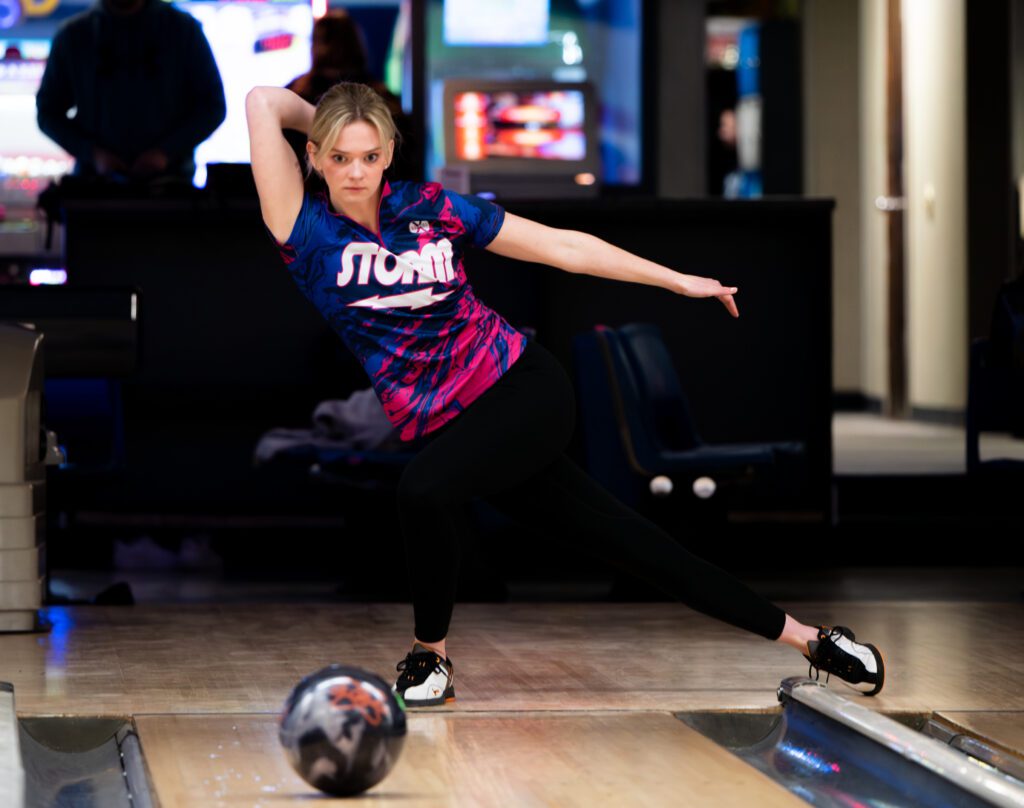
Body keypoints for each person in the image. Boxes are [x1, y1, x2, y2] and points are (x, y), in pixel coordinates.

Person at [245, 82, 886, 707]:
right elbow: (262, 103)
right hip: (455, 431)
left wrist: (675, 281)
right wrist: (325, 119)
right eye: (338, 156)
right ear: (315, 156)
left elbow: (560, 248)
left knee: (419, 490)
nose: (355, 173)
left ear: (388, 155)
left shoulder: (433, 207)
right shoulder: (303, 231)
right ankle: (812, 640)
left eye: (368, 156)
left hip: (523, 389)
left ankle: (429, 655)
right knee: (630, 542)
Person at [36, 0, 226, 181]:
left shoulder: (184, 30)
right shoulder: (73, 36)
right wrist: (93, 153)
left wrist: (166, 151)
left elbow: (212, 106)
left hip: (169, 186)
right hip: (97, 186)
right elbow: (48, 112)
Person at [283, 9, 416, 183]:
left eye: (369, 157)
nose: (353, 172)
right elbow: (406, 168)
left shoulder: (293, 97)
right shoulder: (387, 101)